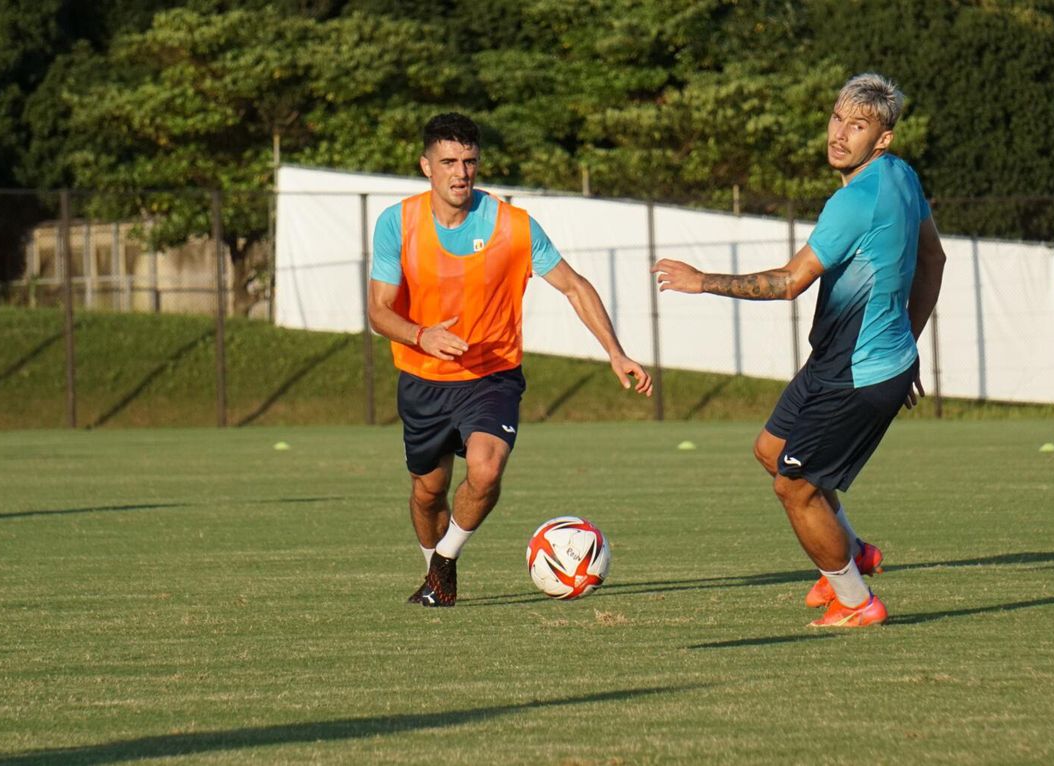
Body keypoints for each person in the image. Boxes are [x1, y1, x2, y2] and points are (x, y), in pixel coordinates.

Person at [652, 73, 946, 628]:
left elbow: (790, 282)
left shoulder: (857, 201)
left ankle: (857, 602)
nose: (840, 134)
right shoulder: (902, 176)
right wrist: (907, 339)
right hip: (840, 359)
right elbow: (936, 261)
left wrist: (701, 280)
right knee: (771, 450)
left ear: (881, 139)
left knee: (795, 488)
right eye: (837, 119)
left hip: (858, 374)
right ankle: (854, 551)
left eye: (857, 126)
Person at [368, 112, 653, 607]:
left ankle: (445, 563)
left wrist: (615, 351)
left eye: (470, 161)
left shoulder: (512, 225)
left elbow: (573, 286)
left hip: (492, 376)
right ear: (426, 166)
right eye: (449, 162)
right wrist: (421, 335)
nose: (461, 172)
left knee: (486, 468)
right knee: (427, 493)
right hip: (423, 378)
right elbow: (378, 310)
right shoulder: (398, 223)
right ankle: (434, 572)